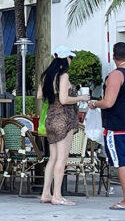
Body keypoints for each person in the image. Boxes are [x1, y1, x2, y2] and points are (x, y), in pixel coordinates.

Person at [89, 42, 125, 211]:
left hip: (116, 126)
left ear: (114, 57)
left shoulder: (116, 75)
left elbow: (108, 102)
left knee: (121, 163)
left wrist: (94, 104)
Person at [35, 46, 90, 206]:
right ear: (66, 59)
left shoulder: (47, 76)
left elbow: (39, 95)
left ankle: (46, 193)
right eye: (70, 58)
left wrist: (53, 94)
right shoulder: (63, 76)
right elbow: (65, 100)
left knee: (52, 158)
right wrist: (82, 97)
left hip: (51, 119)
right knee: (62, 158)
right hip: (64, 120)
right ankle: (57, 196)